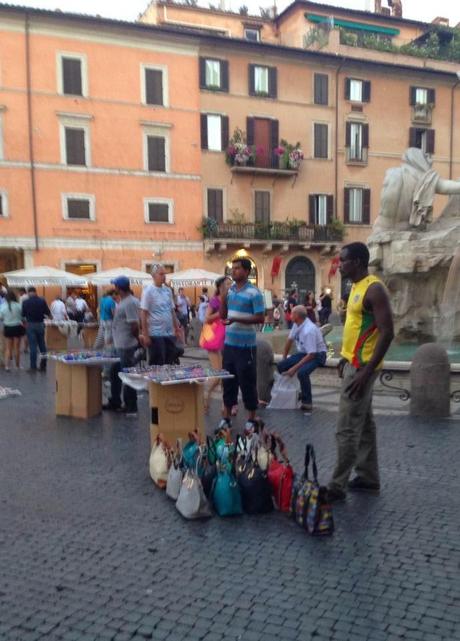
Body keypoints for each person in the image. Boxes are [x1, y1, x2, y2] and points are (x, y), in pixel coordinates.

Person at [328, 242, 394, 502]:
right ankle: (368, 477)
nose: (339, 264)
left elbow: (387, 332)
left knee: (346, 427)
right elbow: (357, 328)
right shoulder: (356, 286)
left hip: (362, 370)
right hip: (354, 364)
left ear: (356, 262)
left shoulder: (374, 289)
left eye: (343, 260)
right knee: (364, 425)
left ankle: (336, 485)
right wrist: (344, 358)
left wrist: (366, 371)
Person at [219, 258, 265, 433]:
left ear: (247, 272)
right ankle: (226, 418)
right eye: (233, 268)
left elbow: (260, 318)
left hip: (246, 346)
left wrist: (236, 319)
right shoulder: (230, 292)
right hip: (230, 345)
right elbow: (223, 316)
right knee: (228, 382)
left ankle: (251, 419)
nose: (234, 271)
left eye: (238, 268)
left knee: (247, 382)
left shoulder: (254, 293)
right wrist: (223, 299)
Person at [277, 305, 327, 411]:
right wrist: (284, 358)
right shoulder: (297, 324)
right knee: (281, 365)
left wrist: (294, 368)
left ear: (296, 316)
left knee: (302, 372)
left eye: (292, 313)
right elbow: (289, 340)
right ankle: (296, 390)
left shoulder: (309, 330)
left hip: (318, 355)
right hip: (305, 353)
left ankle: (307, 402)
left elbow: (312, 354)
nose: (290, 314)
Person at [103, 276, 140, 417]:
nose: (114, 288)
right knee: (114, 372)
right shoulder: (125, 301)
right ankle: (115, 401)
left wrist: (138, 339)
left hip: (126, 345)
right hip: (121, 344)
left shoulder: (129, 303)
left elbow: (134, 324)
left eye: (115, 286)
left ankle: (131, 406)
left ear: (119, 288)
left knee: (127, 375)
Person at [140, 263, 182, 365]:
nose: (164, 276)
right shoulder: (148, 291)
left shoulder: (168, 291)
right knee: (157, 364)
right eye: (161, 274)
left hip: (169, 333)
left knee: (169, 362)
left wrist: (176, 329)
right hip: (155, 333)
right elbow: (143, 313)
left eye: (165, 274)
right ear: (153, 276)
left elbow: (171, 311)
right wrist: (145, 335)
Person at [202, 276, 231, 412]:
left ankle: (223, 406)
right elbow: (207, 318)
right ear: (220, 287)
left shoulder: (230, 299)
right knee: (219, 374)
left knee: (223, 375)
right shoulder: (214, 301)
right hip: (214, 341)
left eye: (230, 284)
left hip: (225, 341)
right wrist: (220, 313)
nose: (230, 286)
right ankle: (205, 395)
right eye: (227, 284)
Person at [21, 286, 50, 371]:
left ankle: (33, 367)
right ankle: (43, 365)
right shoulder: (42, 300)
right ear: (35, 292)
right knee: (42, 345)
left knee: (33, 346)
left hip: (30, 325)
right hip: (41, 324)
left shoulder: (25, 302)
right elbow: (48, 313)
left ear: (29, 292)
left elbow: (23, 315)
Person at [0, 290, 25, 370]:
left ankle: (7, 366)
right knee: (17, 348)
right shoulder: (19, 305)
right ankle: (18, 365)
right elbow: (23, 317)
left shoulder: (3, 306)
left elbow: (1, 317)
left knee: (8, 348)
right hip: (17, 327)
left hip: (7, 328)